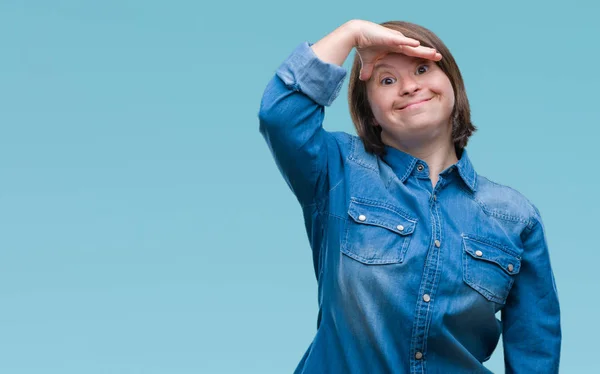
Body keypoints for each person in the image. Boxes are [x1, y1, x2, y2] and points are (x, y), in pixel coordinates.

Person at [258, 19, 561, 373]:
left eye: (422, 68)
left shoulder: (515, 218)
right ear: (370, 113)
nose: (409, 86)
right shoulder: (338, 169)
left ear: (452, 84)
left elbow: (535, 356)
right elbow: (279, 115)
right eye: (387, 79)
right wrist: (351, 33)